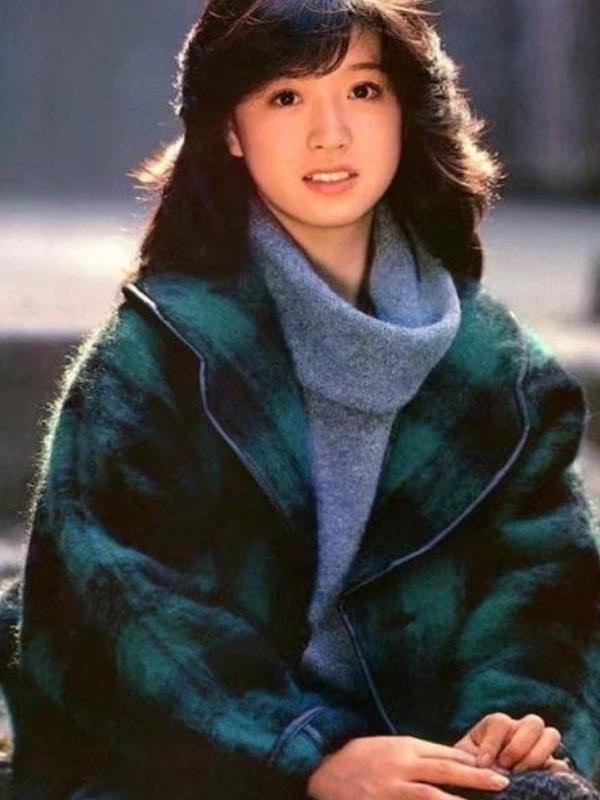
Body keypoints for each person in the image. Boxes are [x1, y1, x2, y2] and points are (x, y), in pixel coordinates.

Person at [2, 1, 600, 799]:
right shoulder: (153, 358)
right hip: (201, 766)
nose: (331, 133)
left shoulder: (506, 377)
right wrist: (309, 754)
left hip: (419, 765)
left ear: (405, 111)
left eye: (363, 91)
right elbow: (122, 611)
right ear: (230, 129)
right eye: (286, 97)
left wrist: (514, 724)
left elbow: (548, 588)